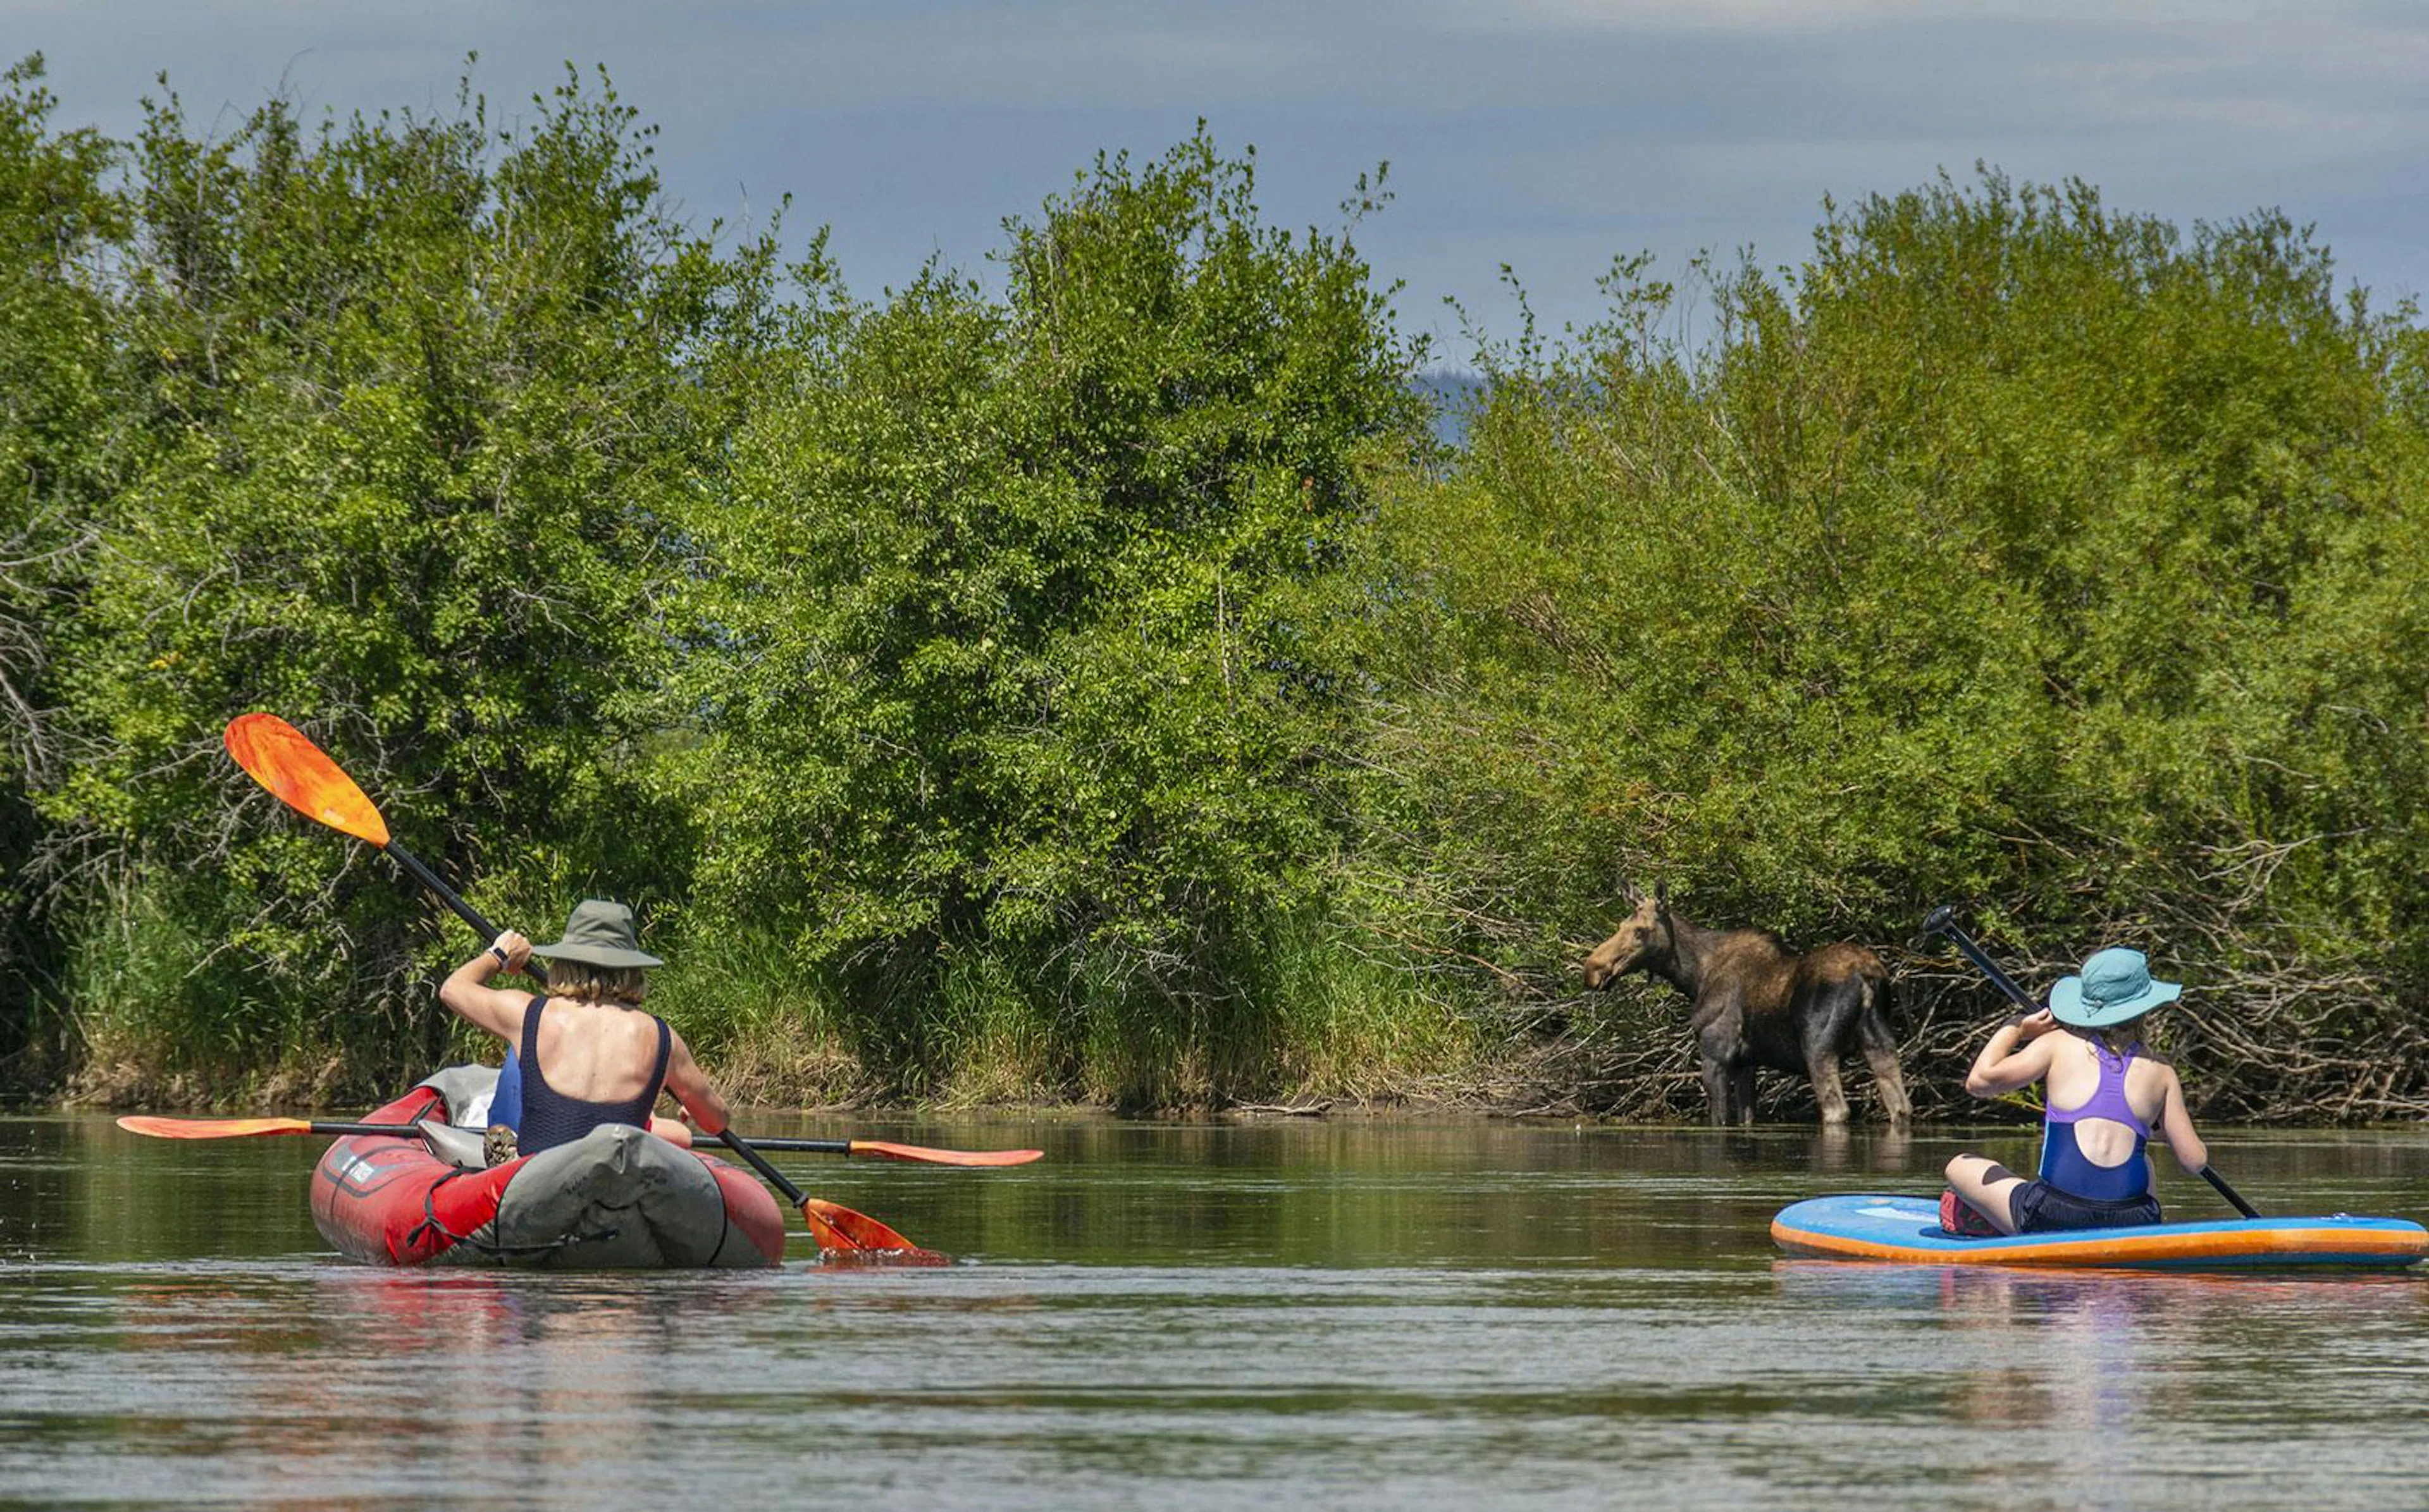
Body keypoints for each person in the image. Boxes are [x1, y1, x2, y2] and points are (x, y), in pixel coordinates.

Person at [1942, 946, 2210, 1236]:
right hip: (2133, 1222)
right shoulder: (2162, 1072)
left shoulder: (2057, 1045)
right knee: (2144, 1160)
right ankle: (2143, 1238)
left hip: (2052, 1216)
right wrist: (2157, 1129)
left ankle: (1995, 1223)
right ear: (2144, 1009)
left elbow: (1979, 1082)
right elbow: (2195, 1162)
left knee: (1959, 1166)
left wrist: (2015, 1028)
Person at [438, 899, 729, 1162]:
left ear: (563, 960)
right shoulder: (661, 1038)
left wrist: (499, 954)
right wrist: (697, 1108)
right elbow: (717, 1121)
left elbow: (453, 989)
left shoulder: (529, 1016)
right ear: (632, 967)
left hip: (535, 1192)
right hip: (617, 1199)